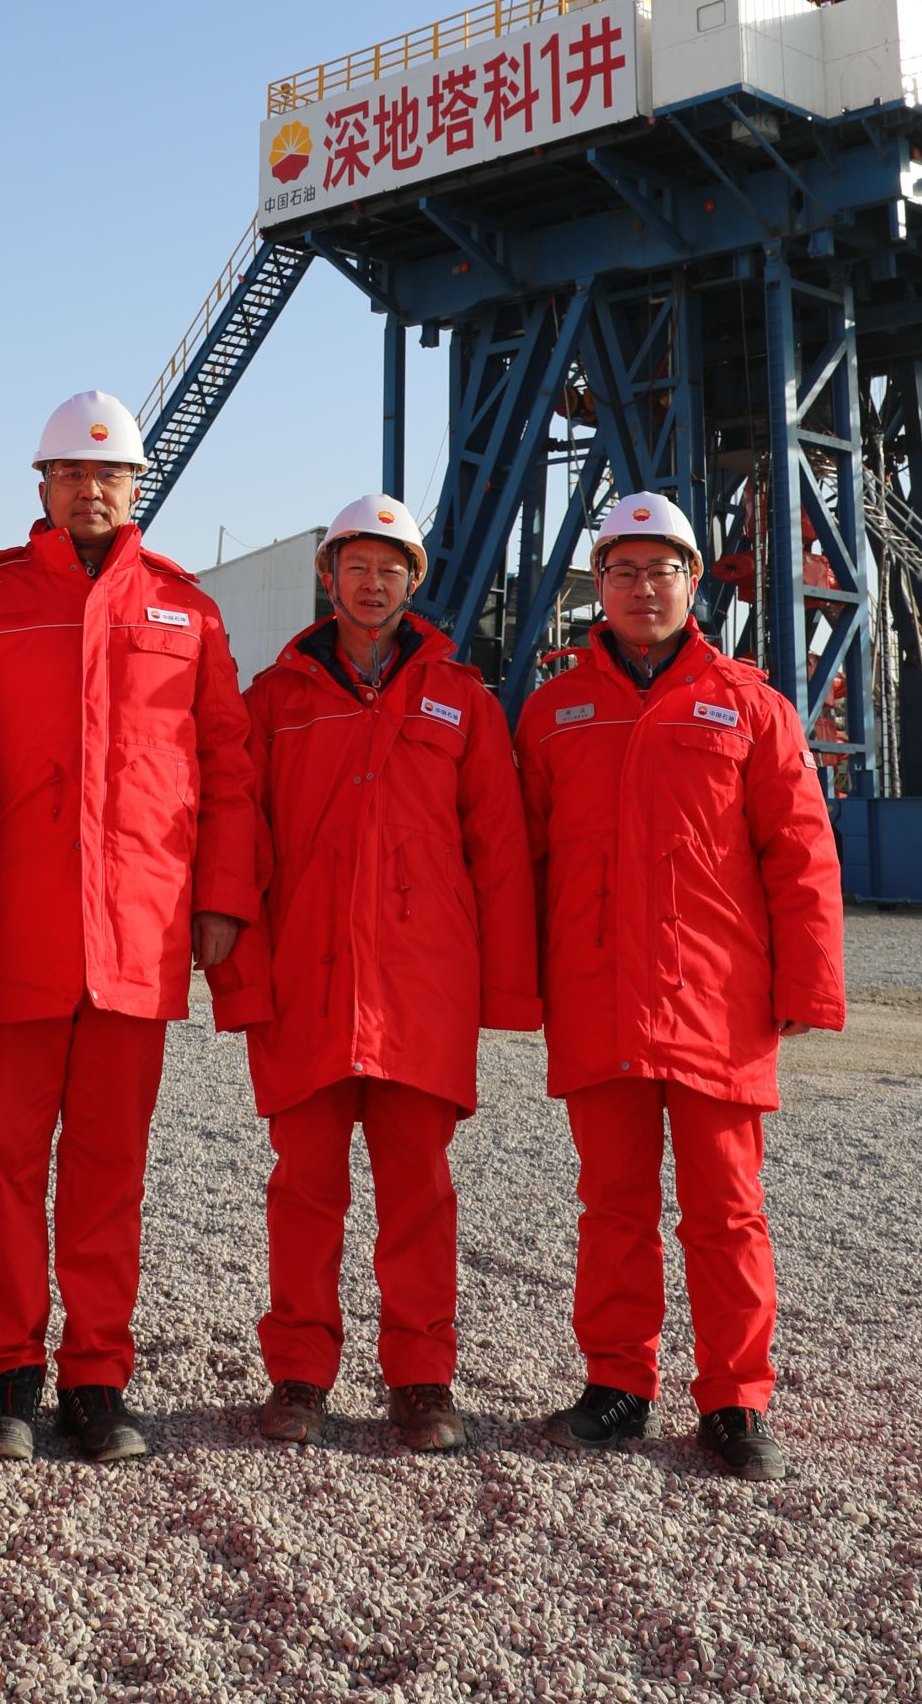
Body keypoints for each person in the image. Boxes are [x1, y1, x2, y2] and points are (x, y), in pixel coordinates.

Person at [0, 389, 261, 1464]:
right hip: (15, 927)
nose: (92, 490)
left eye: (111, 475)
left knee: (109, 1165)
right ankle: (4, 1372)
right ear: (42, 485)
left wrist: (219, 897)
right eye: (72, 474)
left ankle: (96, 1377)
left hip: (138, 926)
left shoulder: (187, 610)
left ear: (137, 487)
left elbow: (226, 765)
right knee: (3, 1160)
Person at [517, 490, 844, 1480]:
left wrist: (808, 982)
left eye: (660, 570)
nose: (642, 589)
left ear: (692, 581)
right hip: (598, 992)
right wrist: (515, 984)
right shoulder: (552, 711)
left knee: (726, 1209)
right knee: (611, 1205)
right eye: (622, 572)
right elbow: (522, 859)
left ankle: (735, 1400)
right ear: (599, 585)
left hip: (717, 999)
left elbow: (799, 850)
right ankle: (617, 1386)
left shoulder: (750, 706)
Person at [215, 494, 539, 1454]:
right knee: (303, 1190)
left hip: (420, 990)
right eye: (356, 565)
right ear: (328, 575)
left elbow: (500, 852)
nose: (372, 582)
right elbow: (238, 846)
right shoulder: (274, 702)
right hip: (306, 984)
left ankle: (422, 1380)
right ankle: (300, 1375)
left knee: (419, 1193)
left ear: (415, 582)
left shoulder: (463, 702)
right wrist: (241, 981)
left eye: (391, 567)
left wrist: (505, 994)